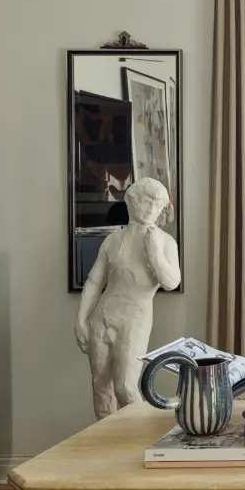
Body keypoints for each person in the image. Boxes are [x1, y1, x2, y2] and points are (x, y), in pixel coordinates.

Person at [75, 177, 181, 419]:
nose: (151, 209)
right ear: (131, 201)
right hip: (102, 317)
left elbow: (171, 282)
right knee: (101, 386)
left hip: (135, 320)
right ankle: (108, 442)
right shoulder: (113, 240)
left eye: (157, 204)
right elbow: (94, 281)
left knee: (126, 387)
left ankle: (138, 440)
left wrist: (154, 253)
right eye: (146, 201)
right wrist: (81, 319)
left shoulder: (164, 242)